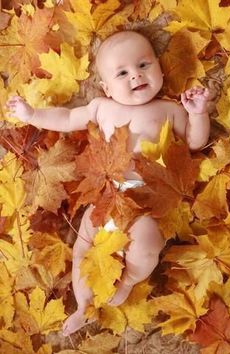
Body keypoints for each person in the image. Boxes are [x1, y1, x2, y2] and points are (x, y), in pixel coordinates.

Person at [6, 30, 210, 336]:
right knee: (83, 249)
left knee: (146, 246)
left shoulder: (170, 110)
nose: (135, 76)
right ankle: (83, 305)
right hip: (107, 195)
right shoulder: (101, 107)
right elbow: (65, 119)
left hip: (147, 200)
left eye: (143, 65)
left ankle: (128, 280)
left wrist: (199, 113)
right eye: (123, 73)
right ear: (106, 88)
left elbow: (194, 142)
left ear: (159, 66)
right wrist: (32, 114)